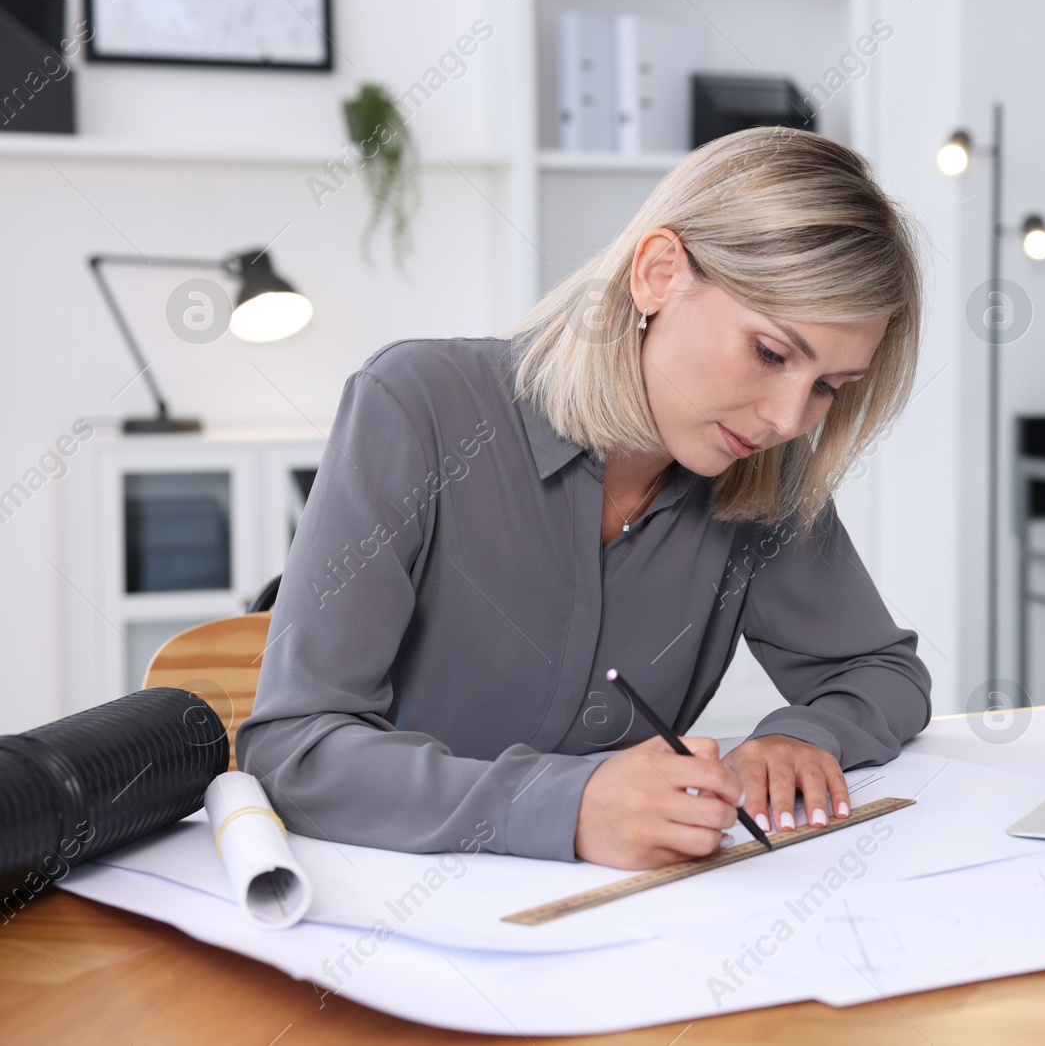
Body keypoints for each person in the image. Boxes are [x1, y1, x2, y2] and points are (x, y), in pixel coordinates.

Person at [237, 126, 933, 870]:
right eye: (770, 352)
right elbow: (293, 751)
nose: (789, 418)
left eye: (829, 386)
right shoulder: (419, 408)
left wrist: (802, 736)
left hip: (623, 931)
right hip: (394, 909)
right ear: (659, 273)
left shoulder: (762, 474)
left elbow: (883, 674)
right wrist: (567, 806)